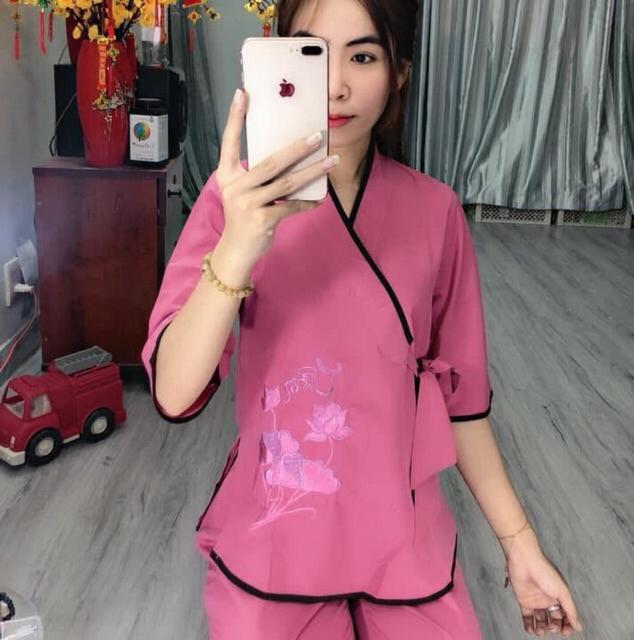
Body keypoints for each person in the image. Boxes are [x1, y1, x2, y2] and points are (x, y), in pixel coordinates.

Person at [141, 0, 584, 637]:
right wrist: (237, 245)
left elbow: (462, 405)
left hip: (401, 535)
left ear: (398, 72)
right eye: (312, 55)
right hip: (277, 535)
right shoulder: (232, 202)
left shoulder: (435, 212)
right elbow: (175, 393)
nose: (336, 85)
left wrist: (521, 545)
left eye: (364, 56)